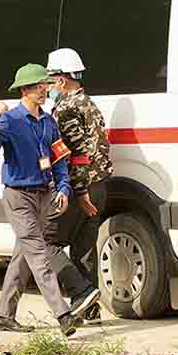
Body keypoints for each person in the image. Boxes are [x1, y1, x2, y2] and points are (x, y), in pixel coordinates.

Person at [0, 63, 82, 337]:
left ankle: (3, 316)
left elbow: (59, 158)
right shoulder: (10, 120)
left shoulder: (49, 122)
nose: (44, 89)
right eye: (39, 86)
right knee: (39, 255)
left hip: (44, 194)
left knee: (22, 259)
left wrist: (63, 188)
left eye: (45, 85)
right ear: (24, 90)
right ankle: (63, 314)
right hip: (18, 197)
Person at [47, 47, 113, 321]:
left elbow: (77, 155)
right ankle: (91, 308)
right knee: (84, 246)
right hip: (99, 185)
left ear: (61, 80)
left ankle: (80, 292)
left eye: (50, 79)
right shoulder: (89, 103)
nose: (47, 86)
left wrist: (81, 191)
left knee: (44, 243)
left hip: (80, 187)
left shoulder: (67, 109)